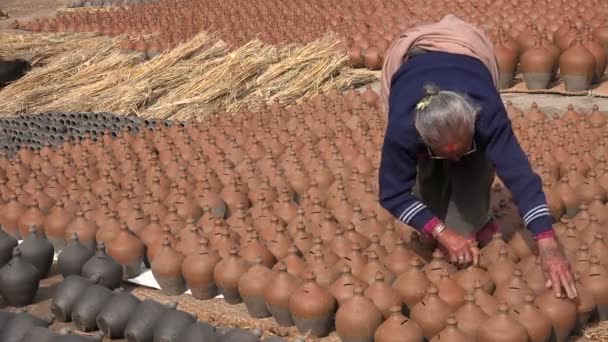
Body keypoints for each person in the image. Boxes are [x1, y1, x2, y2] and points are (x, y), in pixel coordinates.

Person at [378, 15, 577, 299]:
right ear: (424, 140)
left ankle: (475, 218)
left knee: (475, 167)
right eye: (445, 153)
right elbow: (391, 193)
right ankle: (436, 218)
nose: (456, 158)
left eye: (463, 148)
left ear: (473, 123)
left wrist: (548, 244)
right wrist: (442, 232)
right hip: (413, 67)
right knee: (427, 183)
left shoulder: (487, 114)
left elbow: (521, 179)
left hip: (466, 57)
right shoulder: (403, 130)